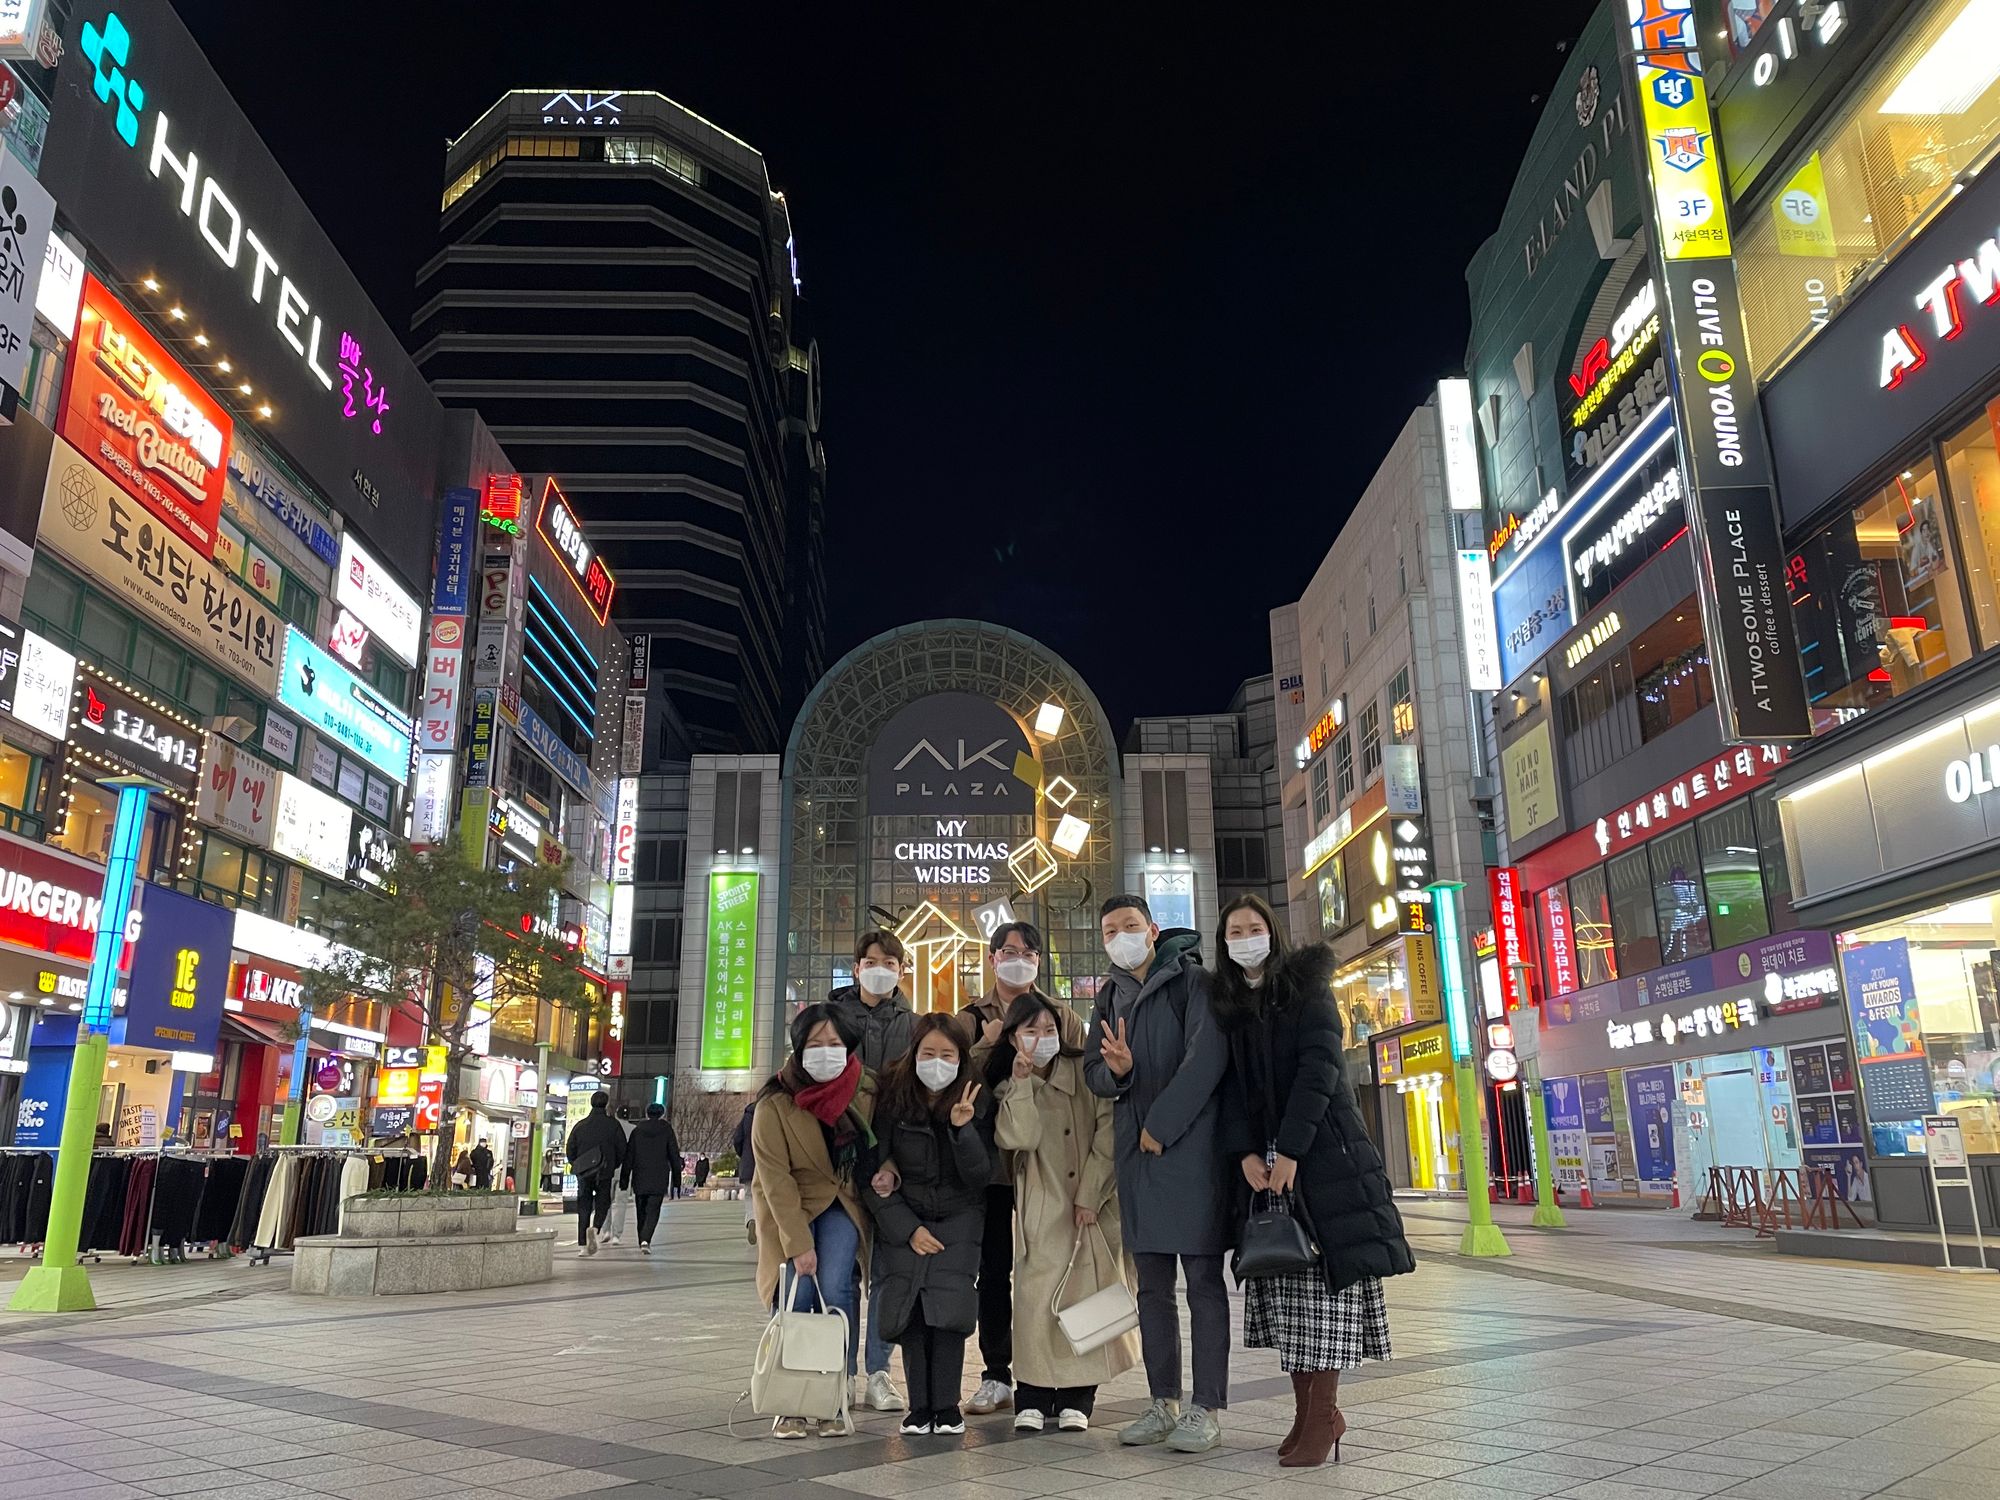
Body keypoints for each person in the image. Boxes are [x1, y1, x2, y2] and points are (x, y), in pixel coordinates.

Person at [1214, 895, 1413, 1468]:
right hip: (1264, 1163)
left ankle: (1322, 1415)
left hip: (1321, 1157)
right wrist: (1245, 1153)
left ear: (1273, 934)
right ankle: (1310, 1416)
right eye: (1235, 930)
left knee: (1322, 1293)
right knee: (1287, 1293)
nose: (1246, 937)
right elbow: (1229, 1089)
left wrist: (1292, 1149)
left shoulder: (1306, 989)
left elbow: (1320, 1067)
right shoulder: (1230, 1003)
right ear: (1223, 942)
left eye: (1254, 928)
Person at [1083, 893, 1230, 1454]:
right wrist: (1118, 1073)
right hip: (1136, 1159)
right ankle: (1163, 1402)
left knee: (1203, 1285)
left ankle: (1206, 1408)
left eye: (1129, 925)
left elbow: (1206, 1061)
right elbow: (1095, 1071)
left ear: (1152, 929)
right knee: (1152, 1289)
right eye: (1109, 929)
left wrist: (1163, 1125)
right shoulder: (1109, 996)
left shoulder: (1194, 983)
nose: (1119, 936)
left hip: (1189, 1152)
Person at [990, 988, 1136, 1433]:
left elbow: (1109, 1130)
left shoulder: (1085, 1071)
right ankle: (1031, 1393)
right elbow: (1020, 1138)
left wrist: (1092, 1193)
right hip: (1042, 1204)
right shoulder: (1008, 1082)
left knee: (1084, 1297)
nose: (1041, 1038)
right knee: (1035, 1301)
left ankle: (1079, 1395)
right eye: (1030, 1030)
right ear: (1014, 1037)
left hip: (1091, 1203)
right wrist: (1021, 1083)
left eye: (1049, 1029)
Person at [752, 1003, 879, 1439]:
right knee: (798, 1289)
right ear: (799, 1048)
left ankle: (831, 1394)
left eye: (835, 1044)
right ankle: (789, 1401)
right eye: (815, 1044)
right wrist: (797, 1242)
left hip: (841, 1200)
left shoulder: (864, 1089)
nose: (826, 1053)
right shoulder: (774, 1102)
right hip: (793, 1206)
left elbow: (884, 1143)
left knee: (838, 1287)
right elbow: (775, 1180)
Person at [866, 1013, 991, 1437]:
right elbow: (874, 1173)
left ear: (961, 1058)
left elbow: (979, 1176)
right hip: (907, 1215)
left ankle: (947, 1407)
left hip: (961, 1217)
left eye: (947, 1054)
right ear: (914, 1053)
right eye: (928, 1053)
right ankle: (919, 1408)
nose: (937, 1061)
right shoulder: (893, 1095)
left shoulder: (976, 1095)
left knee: (949, 1310)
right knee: (912, 1310)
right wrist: (906, 1228)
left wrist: (963, 1129)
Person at [827, 930, 916, 1412]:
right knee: (840, 1273)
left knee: (887, 1274)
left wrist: (893, 1163)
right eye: (870, 960)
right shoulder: (830, 1020)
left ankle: (879, 1372)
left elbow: (916, 1100)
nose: (879, 968)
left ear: (901, 969)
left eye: (889, 961)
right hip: (839, 1166)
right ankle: (840, 1371)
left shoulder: (914, 1024)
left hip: (890, 1166)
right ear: (856, 967)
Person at [958, 922, 1044, 1415]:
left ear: (1038, 960)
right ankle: (996, 1374)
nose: (1018, 958)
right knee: (993, 1272)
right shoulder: (969, 1020)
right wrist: (990, 1042)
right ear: (992, 959)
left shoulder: (1055, 1016)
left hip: (1042, 1165)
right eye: (1008, 951)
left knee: (1044, 1268)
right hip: (990, 1168)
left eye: (1027, 952)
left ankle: (1043, 1372)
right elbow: (953, 1081)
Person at [565, 1090, 627, 1257]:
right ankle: (596, 1226)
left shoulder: (581, 1125)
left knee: (583, 1206)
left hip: (584, 1172)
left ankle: (582, 1247)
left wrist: (577, 1164)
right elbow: (622, 1148)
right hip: (604, 1171)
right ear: (606, 1104)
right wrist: (614, 1164)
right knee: (603, 1201)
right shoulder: (613, 1125)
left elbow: (570, 1148)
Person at [622, 1102, 683, 1252]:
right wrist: (677, 1181)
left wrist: (624, 1178)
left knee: (641, 1210)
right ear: (662, 1114)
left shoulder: (638, 1131)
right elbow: (674, 1156)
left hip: (640, 1175)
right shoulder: (667, 1130)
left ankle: (641, 1239)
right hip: (659, 1176)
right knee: (653, 1210)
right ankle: (645, 1240)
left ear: (647, 1113)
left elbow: (629, 1156)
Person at [601, 1111, 635, 1245]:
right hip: (626, 1171)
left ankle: (606, 1230)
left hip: (608, 1168)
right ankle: (617, 1235)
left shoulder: (610, 1127)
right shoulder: (634, 1130)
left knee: (605, 1200)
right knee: (621, 1203)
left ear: (616, 1114)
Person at [733, 1100, 759, 1244]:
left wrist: (743, 1154)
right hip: (768, 1164)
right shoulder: (774, 1109)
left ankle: (751, 1219)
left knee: (750, 1195)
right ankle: (765, 1228)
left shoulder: (748, 1114)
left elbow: (737, 1139)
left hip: (749, 1163)